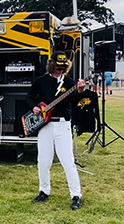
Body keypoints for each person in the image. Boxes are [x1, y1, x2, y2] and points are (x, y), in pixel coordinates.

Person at [26, 51, 85, 210]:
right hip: (45, 125)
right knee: (43, 161)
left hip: (62, 125)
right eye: (57, 67)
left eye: (63, 67)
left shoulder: (70, 82)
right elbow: (29, 97)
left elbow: (76, 103)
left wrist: (80, 91)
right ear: (51, 65)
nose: (60, 70)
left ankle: (76, 195)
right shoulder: (41, 81)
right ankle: (44, 191)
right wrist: (35, 107)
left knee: (68, 161)